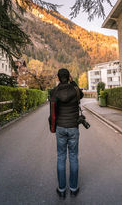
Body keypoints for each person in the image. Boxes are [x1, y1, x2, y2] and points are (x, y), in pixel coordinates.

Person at [49, 68, 84, 199]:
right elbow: (81, 94)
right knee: (74, 157)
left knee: (61, 157)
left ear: (58, 78)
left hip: (61, 128)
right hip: (73, 127)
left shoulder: (54, 92)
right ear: (68, 77)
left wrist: (53, 128)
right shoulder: (75, 91)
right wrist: (73, 82)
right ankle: (74, 189)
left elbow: (52, 113)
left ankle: (62, 189)